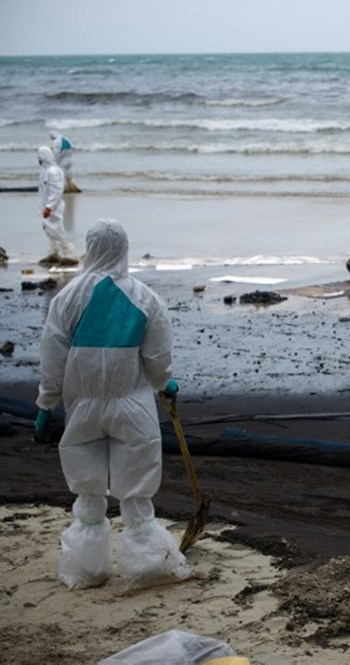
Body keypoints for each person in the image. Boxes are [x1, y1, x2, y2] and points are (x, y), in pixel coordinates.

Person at [35, 218, 191, 590]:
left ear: (89, 248)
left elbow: (52, 354)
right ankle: (148, 566)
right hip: (131, 406)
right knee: (136, 490)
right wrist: (163, 382)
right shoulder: (144, 297)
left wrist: (46, 403)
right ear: (124, 249)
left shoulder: (68, 297)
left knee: (88, 490)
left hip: (82, 408)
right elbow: (158, 356)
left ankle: (85, 569)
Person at [37, 145, 77, 266]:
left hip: (53, 207)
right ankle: (54, 253)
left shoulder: (53, 172)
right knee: (49, 230)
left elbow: (56, 190)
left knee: (57, 230)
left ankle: (69, 253)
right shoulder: (46, 171)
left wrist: (50, 206)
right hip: (46, 206)